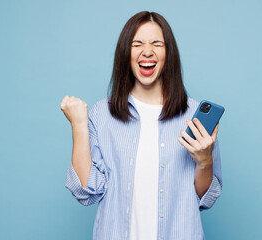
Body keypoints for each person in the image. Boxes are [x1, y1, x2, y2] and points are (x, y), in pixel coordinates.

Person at [61, 11, 222, 240]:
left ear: (169, 54)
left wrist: (205, 161)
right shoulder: (101, 114)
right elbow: (87, 191)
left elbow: (205, 198)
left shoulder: (193, 115)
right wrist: (78, 125)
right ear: (125, 53)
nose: (147, 51)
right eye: (137, 44)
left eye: (157, 44)